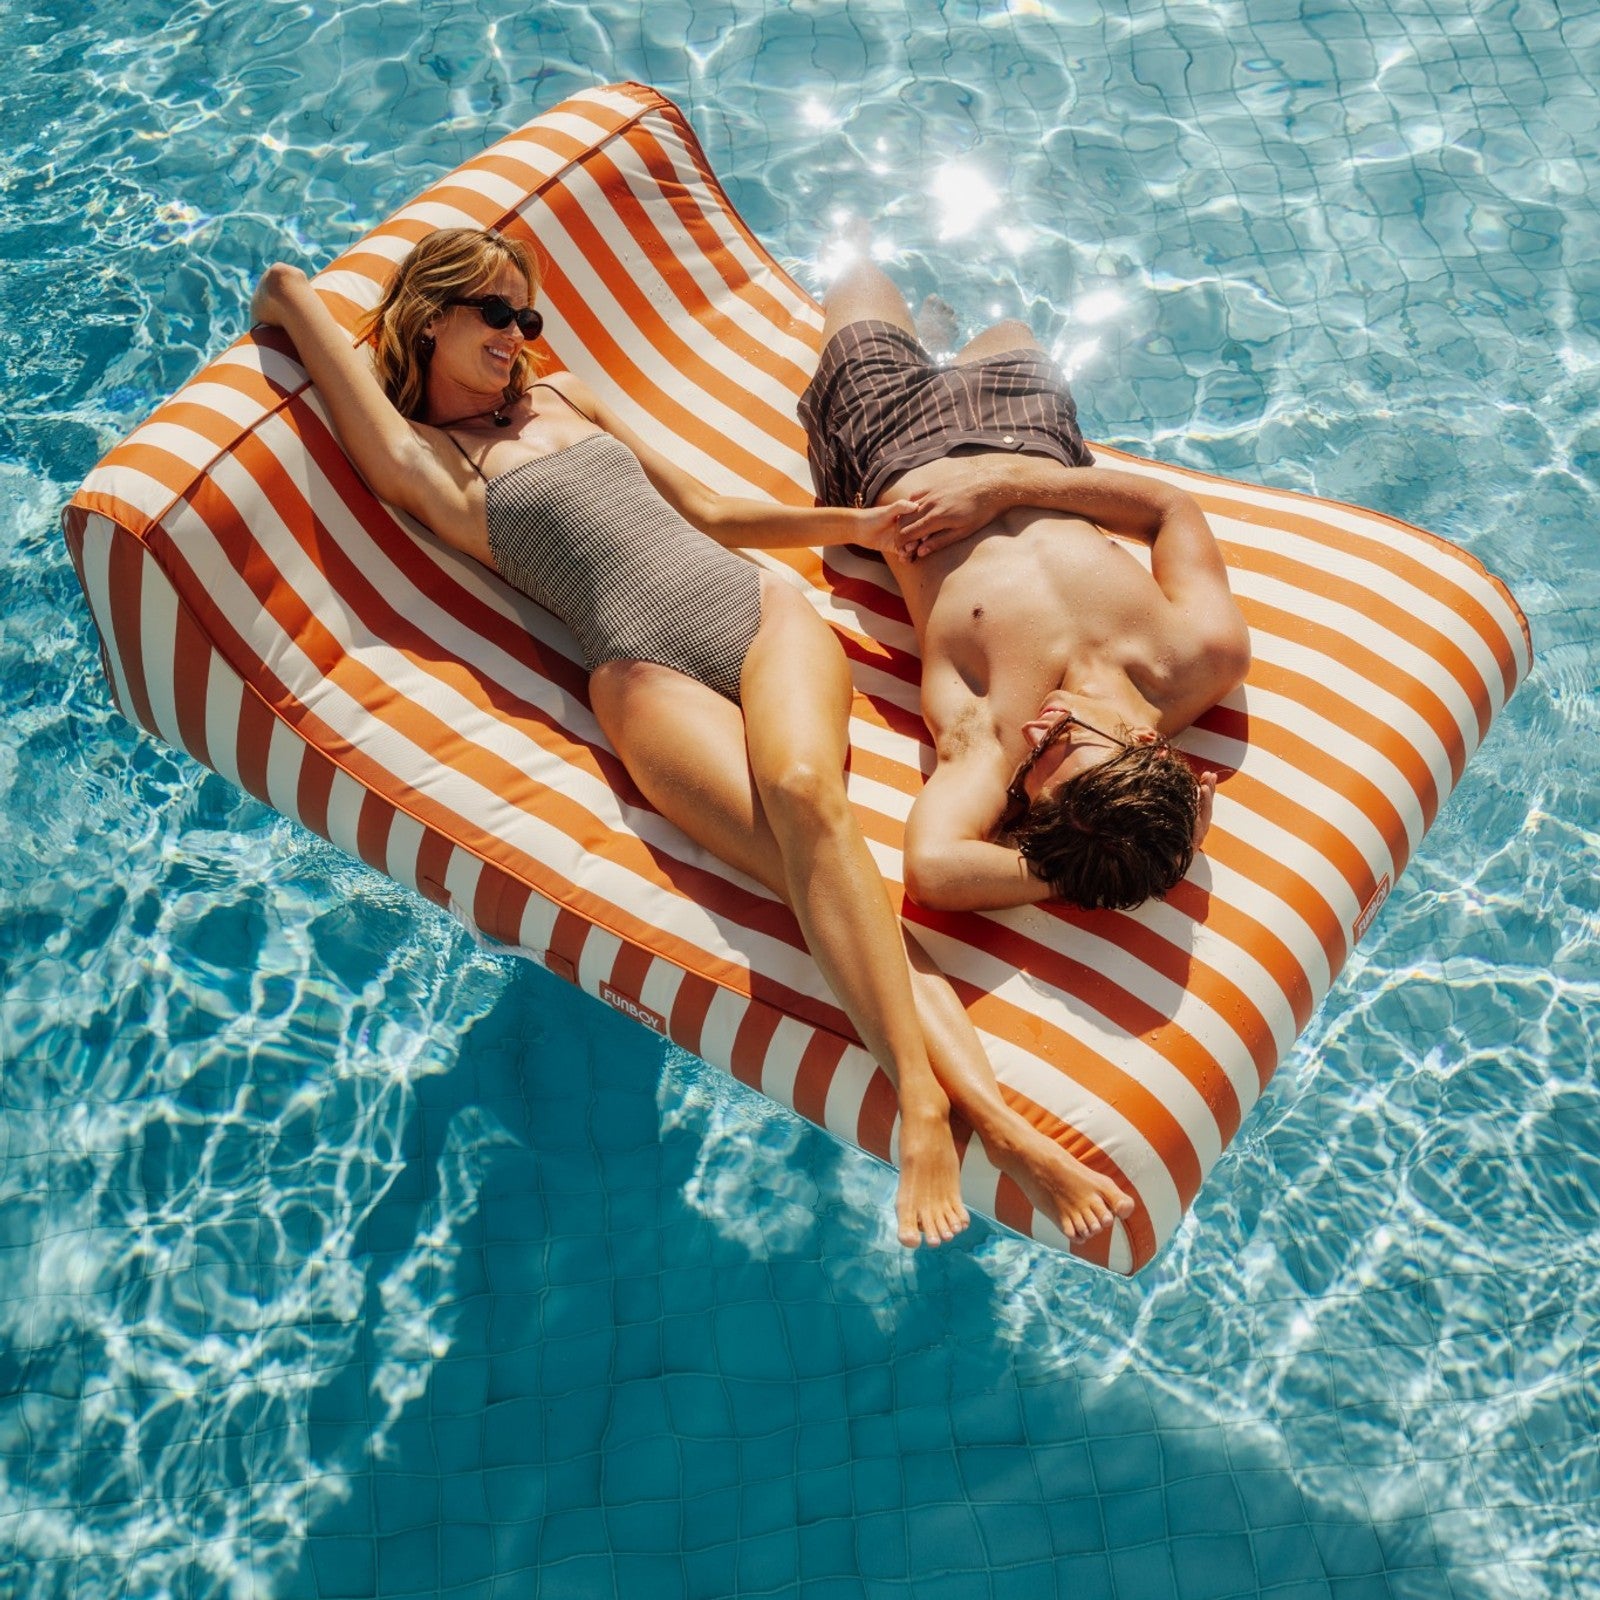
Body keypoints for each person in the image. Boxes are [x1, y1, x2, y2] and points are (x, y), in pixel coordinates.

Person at [249, 228, 1133, 1246]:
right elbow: (284, 290)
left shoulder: (567, 392)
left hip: (757, 613)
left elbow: (710, 509)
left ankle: (936, 1112)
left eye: (527, 316)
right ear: (432, 315)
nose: (518, 336)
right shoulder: (431, 466)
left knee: (810, 802)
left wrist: (856, 528)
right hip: (639, 673)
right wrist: (287, 298)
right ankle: (979, 1119)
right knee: (816, 878)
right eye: (495, 313)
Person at [779, 254, 1252, 914]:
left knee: (859, 271)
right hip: (1028, 437)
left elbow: (934, 869)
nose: (1037, 736)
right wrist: (1000, 487)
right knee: (1005, 326)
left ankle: (906, 324)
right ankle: (939, 338)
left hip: (888, 444)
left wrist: (1107, 870)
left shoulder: (993, 741)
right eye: (1062, 743)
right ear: (1145, 743)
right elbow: (1170, 508)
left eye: (1036, 774)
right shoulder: (1205, 654)